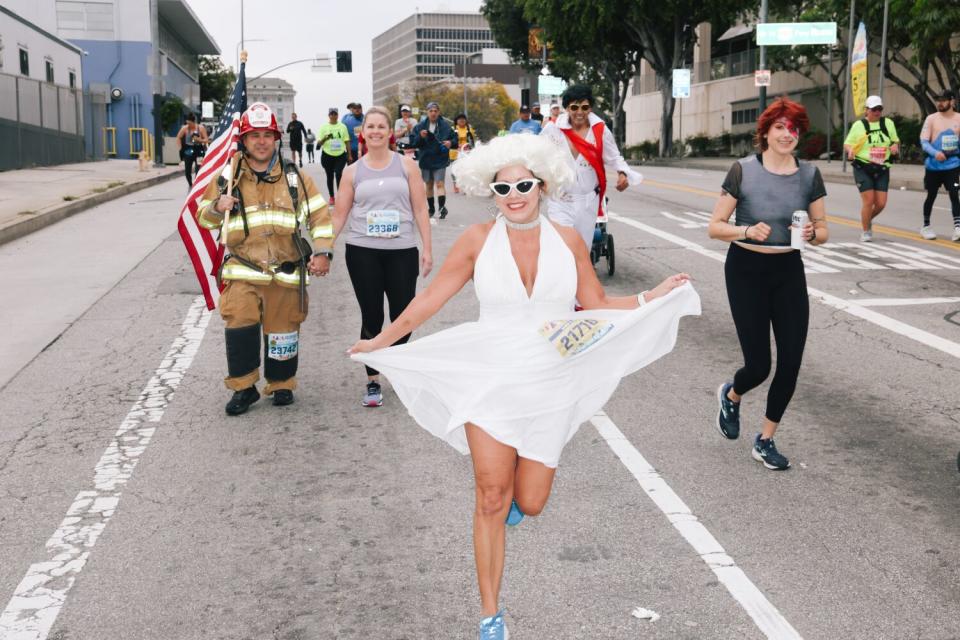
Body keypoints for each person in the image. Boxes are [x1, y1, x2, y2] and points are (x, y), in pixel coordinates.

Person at [348, 133, 699, 639]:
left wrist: (652, 295)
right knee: (491, 496)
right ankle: (491, 615)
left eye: (523, 184)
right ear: (489, 192)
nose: (513, 194)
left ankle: (517, 505)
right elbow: (430, 302)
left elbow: (595, 304)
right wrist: (378, 341)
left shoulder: (570, 240)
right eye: (502, 187)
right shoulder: (475, 241)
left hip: (550, 383)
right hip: (489, 379)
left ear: (542, 185)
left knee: (529, 502)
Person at [707, 96, 831, 470]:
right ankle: (732, 393)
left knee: (791, 362)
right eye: (780, 127)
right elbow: (715, 227)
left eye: (793, 128)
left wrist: (813, 233)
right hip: (746, 270)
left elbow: (825, 231)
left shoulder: (809, 176)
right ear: (765, 132)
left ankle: (766, 439)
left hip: (788, 271)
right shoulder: (743, 170)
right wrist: (745, 229)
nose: (787, 134)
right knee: (759, 365)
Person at [195, 102, 334, 415]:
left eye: (267, 135)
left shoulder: (295, 178)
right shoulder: (226, 178)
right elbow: (203, 219)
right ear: (243, 140)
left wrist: (323, 251)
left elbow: (320, 217)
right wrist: (218, 206)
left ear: (276, 138)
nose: (261, 141)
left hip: (285, 273)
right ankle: (244, 388)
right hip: (243, 270)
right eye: (254, 135)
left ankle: (281, 384)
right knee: (239, 325)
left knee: (283, 330)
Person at [321, 106, 433, 407]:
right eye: (370, 126)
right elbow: (339, 215)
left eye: (381, 126)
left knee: (403, 316)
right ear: (363, 132)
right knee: (372, 315)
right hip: (363, 251)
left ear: (390, 132)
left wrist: (428, 250)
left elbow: (421, 209)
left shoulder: (407, 166)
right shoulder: (352, 171)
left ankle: (392, 365)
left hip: (402, 251)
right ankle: (372, 380)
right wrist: (324, 247)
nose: (375, 131)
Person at [540, 84, 642, 249]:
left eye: (585, 107)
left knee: (582, 249)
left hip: (588, 201)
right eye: (574, 107)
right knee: (561, 246)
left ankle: (581, 273)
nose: (579, 112)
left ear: (590, 108)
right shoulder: (553, 130)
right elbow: (536, 154)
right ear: (566, 108)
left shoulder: (600, 130)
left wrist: (622, 173)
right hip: (560, 199)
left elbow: (614, 156)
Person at [843, 95, 900, 242]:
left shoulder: (888, 123)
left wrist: (895, 146)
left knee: (881, 203)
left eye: (880, 109)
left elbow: (895, 141)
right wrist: (850, 150)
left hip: (882, 167)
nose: (877, 112)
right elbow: (847, 143)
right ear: (866, 110)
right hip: (863, 167)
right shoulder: (858, 126)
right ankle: (866, 230)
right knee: (868, 201)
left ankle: (866, 218)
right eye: (874, 109)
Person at [919, 89, 960, 241]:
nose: (939, 103)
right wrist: (935, 153)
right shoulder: (931, 119)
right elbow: (923, 142)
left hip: (953, 165)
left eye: (943, 100)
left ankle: (958, 227)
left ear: (952, 101)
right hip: (933, 166)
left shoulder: (958, 119)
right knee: (931, 195)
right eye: (938, 100)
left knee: (955, 194)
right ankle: (926, 226)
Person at [409, 101, 457, 218]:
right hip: (425, 159)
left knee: (440, 183)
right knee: (429, 185)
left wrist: (450, 143)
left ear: (439, 112)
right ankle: (431, 209)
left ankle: (441, 208)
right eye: (431, 111)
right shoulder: (420, 126)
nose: (433, 113)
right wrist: (420, 136)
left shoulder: (445, 126)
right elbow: (413, 142)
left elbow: (454, 139)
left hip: (440, 159)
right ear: (427, 112)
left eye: (435, 111)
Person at [317, 107, 350, 205]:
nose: (333, 116)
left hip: (340, 154)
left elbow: (347, 140)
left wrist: (349, 154)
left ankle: (340, 196)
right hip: (327, 155)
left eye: (335, 114)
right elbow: (319, 143)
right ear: (329, 115)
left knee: (339, 173)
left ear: (337, 115)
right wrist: (325, 138)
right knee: (329, 176)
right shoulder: (324, 127)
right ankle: (332, 196)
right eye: (331, 114)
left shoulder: (343, 126)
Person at [176, 113, 208, 188]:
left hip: (198, 149)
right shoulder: (185, 128)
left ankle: (197, 183)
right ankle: (190, 183)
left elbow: (206, 139)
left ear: (193, 122)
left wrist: (200, 140)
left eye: (190, 123)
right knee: (187, 169)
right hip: (189, 149)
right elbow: (178, 137)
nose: (189, 125)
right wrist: (180, 147)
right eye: (187, 123)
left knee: (199, 168)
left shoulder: (200, 128)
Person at [450, 113, 477, 193]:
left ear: (466, 121)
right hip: (454, 153)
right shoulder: (452, 129)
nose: (462, 121)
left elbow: (472, 141)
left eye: (463, 119)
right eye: (460, 119)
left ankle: (465, 186)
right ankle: (455, 185)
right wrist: (457, 145)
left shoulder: (469, 129)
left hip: (466, 153)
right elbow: (450, 140)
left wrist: (469, 147)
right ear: (456, 121)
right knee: (454, 171)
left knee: (465, 170)